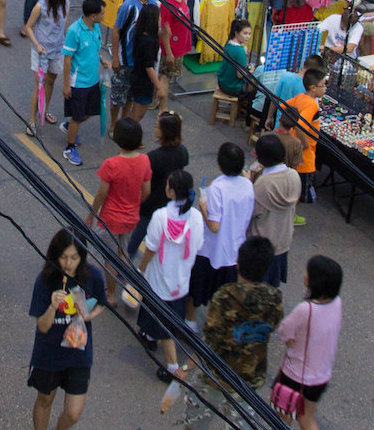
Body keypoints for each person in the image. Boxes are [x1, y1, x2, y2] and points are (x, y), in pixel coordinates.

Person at [181, 237, 283, 430]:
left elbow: (210, 341)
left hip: (216, 374)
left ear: (238, 261)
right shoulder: (273, 298)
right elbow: (273, 326)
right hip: (250, 378)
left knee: (196, 415)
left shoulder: (224, 297)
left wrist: (185, 367)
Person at [28, 229, 107, 430]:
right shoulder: (45, 280)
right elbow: (42, 326)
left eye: (74, 257)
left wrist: (90, 315)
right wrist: (53, 306)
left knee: (73, 412)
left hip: (78, 353)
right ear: (55, 255)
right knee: (45, 400)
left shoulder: (93, 276)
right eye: (64, 257)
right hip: (49, 353)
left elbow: (102, 302)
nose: (68, 263)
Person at [137, 167, 204, 382]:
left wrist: (141, 269)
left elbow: (151, 247)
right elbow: (199, 244)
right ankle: (148, 336)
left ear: (172, 192)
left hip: (158, 280)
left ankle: (173, 367)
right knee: (166, 317)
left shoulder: (160, 217)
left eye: (168, 185)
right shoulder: (195, 217)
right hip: (181, 281)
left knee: (164, 328)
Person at [273, 255, 344, 430]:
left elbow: (284, 332)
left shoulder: (305, 310)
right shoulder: (336, 303)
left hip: (295, 377)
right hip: (320, 377)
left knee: (282, 418)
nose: (304, 274)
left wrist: (290, 340)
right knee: (307, 419)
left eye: (307, 271)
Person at [186, 142, 255, 329]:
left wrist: (203, 207)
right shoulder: (248, 185)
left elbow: (214, 226)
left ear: (220, 164)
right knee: (223, 295)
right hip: (234, 251)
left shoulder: (217, 188)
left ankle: (189, 321)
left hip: (211, 250)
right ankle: (214, 325)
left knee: (196, 288)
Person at [86, 117, 151, 301]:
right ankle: (130, 287)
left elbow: (101, 194)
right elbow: (146, 191)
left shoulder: (111, 164)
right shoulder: (145, 161)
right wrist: (134, 205)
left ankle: (112, 294)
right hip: (131, 218)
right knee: (123, 253)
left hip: (110, 219)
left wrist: (91, 214)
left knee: (110, 259)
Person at [129, 110, 188, 259]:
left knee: (138, 234)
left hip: (150, 204)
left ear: (164, 132)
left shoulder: (153, 157)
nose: (154, 128)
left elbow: (142, 182)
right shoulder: (182, 151)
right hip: (169, 203)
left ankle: (126, 260)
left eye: (157, 126)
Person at [248, 134, 301, 287]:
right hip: (283, 242)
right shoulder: (294, 175)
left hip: (261, 245)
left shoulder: (263, 183)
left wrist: (249, 181)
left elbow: (250, 213)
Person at [60, 0, 107, 167]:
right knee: (78, 117)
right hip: (78, 83)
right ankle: (70, 147)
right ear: (93, 15)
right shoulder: (74, 31)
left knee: (88, 113)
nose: (104, 16)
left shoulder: (96, 28)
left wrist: (102, 60)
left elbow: (94, 49)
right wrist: (66, 85)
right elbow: (67, 59)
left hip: (93, 80)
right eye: (102, 13)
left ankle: (69, 125)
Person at [23, 0, 69, 138]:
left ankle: (45, 110)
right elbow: (28, 27)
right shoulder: (40, 6)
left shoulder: (66, 5)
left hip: (57, 50)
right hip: (41, 51)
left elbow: (65, 27)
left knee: (51, 81)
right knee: (40, 85)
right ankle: (32, 120)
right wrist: (36, 45)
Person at [110, 0, 159, 121]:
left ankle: (123, 123)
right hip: (125, 60)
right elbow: (116, 31)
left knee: (131, 96)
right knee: (118, 96)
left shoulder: (153, 5)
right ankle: (113, 124)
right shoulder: (128, 6)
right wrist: (116, 59)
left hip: (139, 64)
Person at [287, 69, 327, 219]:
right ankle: (291, 215)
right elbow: (300, 124)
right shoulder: (312, 105)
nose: (325, 88)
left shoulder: (300, 98)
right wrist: (304, 144)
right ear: (313, 87)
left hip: (295, 149)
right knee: (298, 189)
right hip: (305, 155)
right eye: (322, 85)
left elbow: (284, 106)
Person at [158, 0, 192, 110]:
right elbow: (165, 30)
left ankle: (156, 102)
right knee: (165, 77)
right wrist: (169, 52)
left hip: (180, 46)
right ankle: (163, 108)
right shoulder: (167, 4)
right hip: (171, 48)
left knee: (166, 77)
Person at [126, 3, 165, 120]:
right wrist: (159, 87)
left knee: (136, 113)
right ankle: (127, 135)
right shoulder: (147, 41)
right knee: (137, 115)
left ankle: (126, 132)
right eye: (159, 17)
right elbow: (149, 67)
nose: (161, 19)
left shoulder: (142, 35)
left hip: (138, 79)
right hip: (143, 82)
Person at [216, 17, 257, 111]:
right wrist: (251, 70)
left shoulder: (228, 44)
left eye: (249, 34)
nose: (248, 36)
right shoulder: (240, 51)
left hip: (222, 81)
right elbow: (240, 75)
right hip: (232, 87)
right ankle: (246, 109)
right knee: (256, 83)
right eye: (245, 33)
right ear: (236, 33)